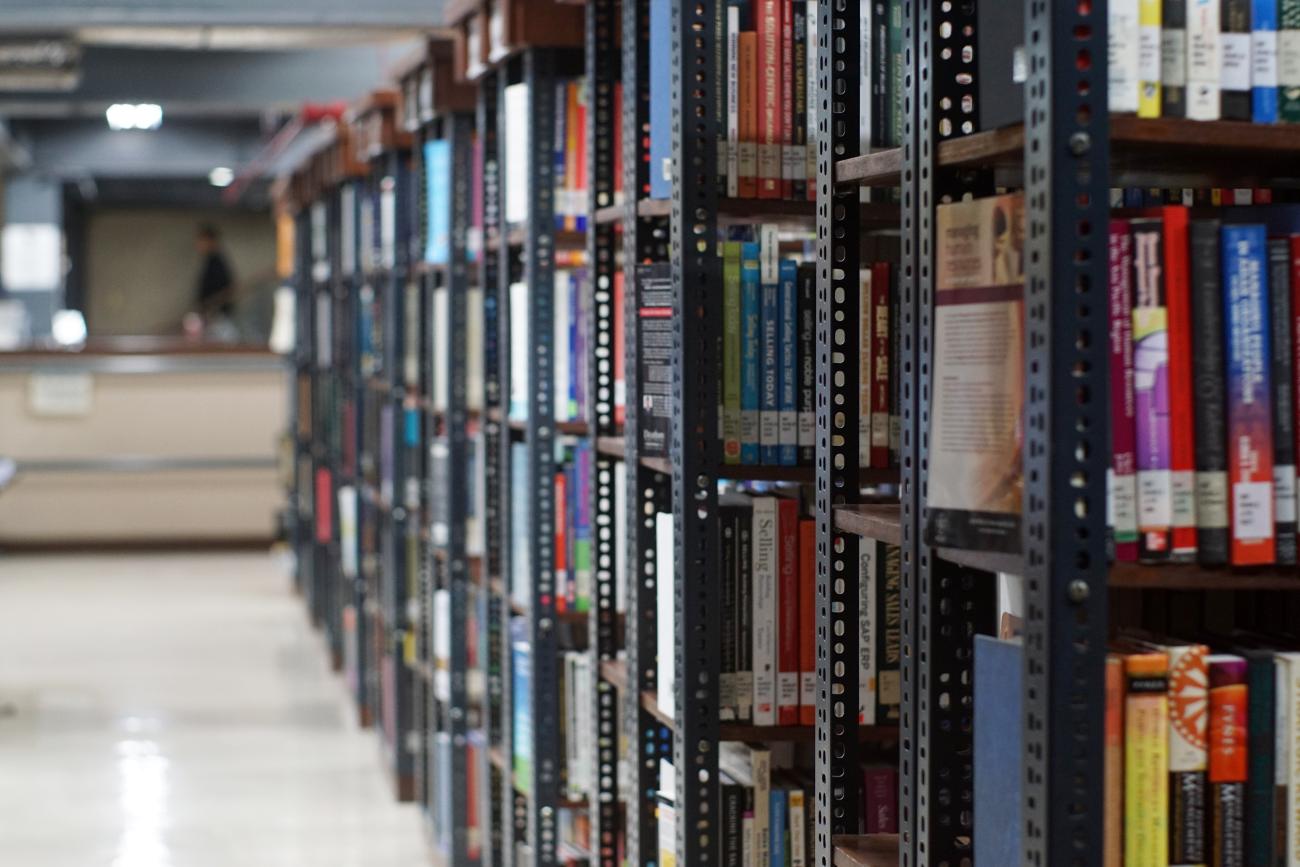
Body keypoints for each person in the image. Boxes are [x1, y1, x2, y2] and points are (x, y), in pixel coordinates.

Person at [194, 224, 236, 321]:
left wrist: (211, 310)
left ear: (211, 241)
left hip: (218, 315)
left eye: (202, 241)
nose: (198, 245)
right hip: (212, 314)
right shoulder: (210, 261)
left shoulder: (217, 263)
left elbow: (224, 289)